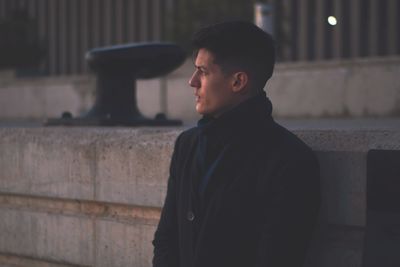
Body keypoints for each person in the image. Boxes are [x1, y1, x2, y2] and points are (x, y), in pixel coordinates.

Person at [152, 20, 320, 267]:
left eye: (203, 71)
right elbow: (166, 239)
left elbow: (277, 258)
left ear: (238, 82)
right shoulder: (187, 145)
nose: (192, 82)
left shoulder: (290, 161)